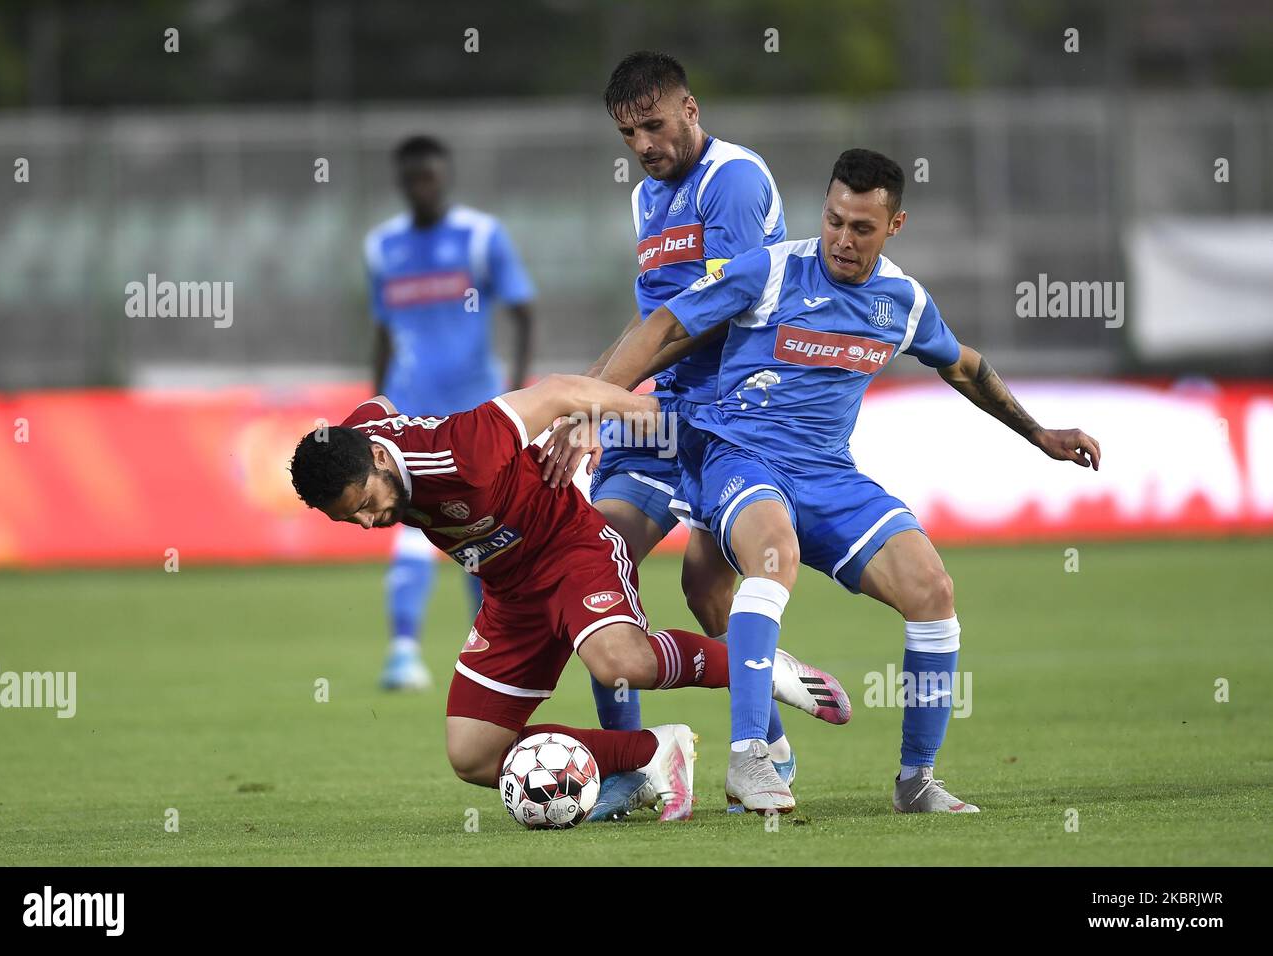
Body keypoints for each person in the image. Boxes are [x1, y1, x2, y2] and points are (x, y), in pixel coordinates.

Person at [594, 148, 1102, 814]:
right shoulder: (772, 271)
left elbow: (967, 367)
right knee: (773, 556)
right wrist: (587, 404)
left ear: (895, 226)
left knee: (932, 588)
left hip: (828, 471)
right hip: (734, 452)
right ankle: (749, 759)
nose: (842, 238)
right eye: (834, 220)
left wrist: (1039, 434)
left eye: (862, 227)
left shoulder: (903, 302)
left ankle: (915, 781)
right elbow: (663, 324)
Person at [288, 372, 850, 820]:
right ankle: (654, 751)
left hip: (568, 550)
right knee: (473, 755)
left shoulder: (463, 449)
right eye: (350, 518)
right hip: (509, 592)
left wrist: (652, 420)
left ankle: (759, 668)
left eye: (366, 502)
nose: (367, 521)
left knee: (619, 663)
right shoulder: (356, 448)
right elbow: (378, 406)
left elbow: (557, 391)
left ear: (383, 461)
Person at [537, 51, 798, 816]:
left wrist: (594, 405)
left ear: (690, 108)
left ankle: (767, 744)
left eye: (654, 125)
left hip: (735, 416)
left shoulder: (734, 182)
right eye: (628, 135)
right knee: (596, 563)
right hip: (660, 417)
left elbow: (701, 317)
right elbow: (648, 321)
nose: (644, 146)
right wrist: (579, 398)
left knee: (708, 588)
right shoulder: (646, 201)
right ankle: (634, 765)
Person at [364, 134, 536, 689]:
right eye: (413, 178)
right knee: (409, 529)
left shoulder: (481, 237)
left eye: (431, 177)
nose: (422, 187)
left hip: (472, 418)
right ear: (401, 182)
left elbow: (523, 312)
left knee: (480, 534)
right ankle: (403, 652)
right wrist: (374, 405)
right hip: (409, 413)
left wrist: (514, 395)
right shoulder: (381, 247)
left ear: (446, 176)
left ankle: (483, 649)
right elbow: (383, 331)